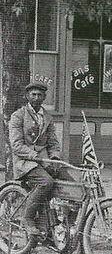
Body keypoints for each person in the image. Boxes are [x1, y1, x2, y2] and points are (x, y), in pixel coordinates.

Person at [9, 82, 74, 237]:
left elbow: (53, 142)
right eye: (33, 94)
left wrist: (55, 157)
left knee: (73, 183)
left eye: (40, 95)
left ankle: (68, 222)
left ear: (44, 97)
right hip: (25, 162)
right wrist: (36, 157)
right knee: (46, 182)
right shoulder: (18, 116)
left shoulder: (47, 117)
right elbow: (16, 145)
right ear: (27, 96)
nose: (37, 98)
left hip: (45, 161)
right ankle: (27, 218)